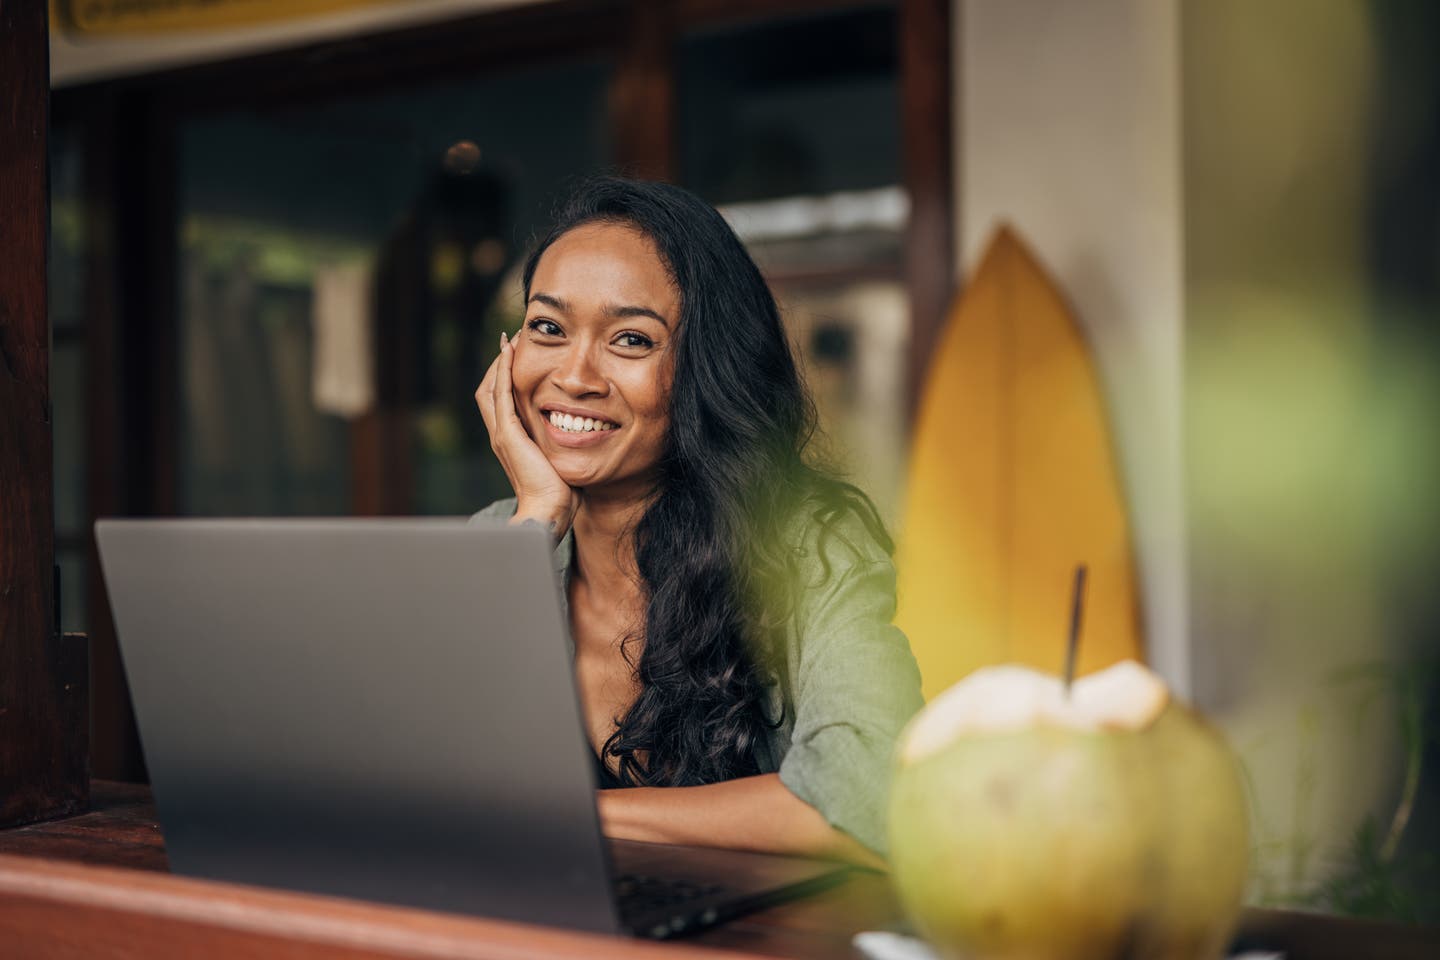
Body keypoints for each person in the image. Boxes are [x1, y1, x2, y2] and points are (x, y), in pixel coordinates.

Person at [472, 177, 922, 868]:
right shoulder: (500, 538)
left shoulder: (808, 544)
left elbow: (870, 800)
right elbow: (428, 792)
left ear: (702, 369)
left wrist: (578, 818)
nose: (576, 375)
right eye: (548, 328)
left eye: (629, 339)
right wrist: (535, 523)